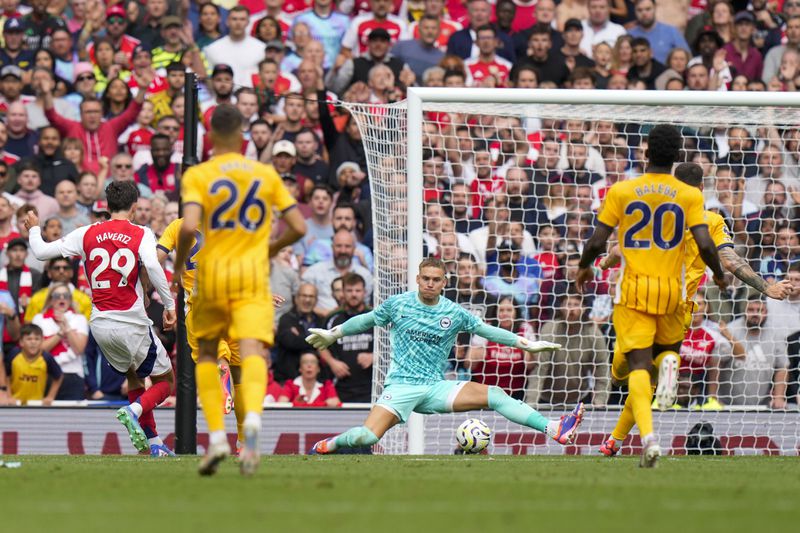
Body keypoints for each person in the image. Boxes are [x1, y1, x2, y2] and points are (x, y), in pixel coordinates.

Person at [592, 160, 794, 460]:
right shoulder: (711, 221)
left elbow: (620, 249)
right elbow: (729, 260)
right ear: (702, 188)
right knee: (639, 378)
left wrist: (605, 263)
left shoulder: (659, 217)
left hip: (643, 301)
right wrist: (767, 287)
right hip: (680, 310)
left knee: (623, 372)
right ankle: (614, 440)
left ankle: (618, 434)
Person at [305, 258, 583, 455]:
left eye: (435, 280)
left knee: (496, 394)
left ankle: (554, 428)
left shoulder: (454, 312)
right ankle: (329, 444)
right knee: (366, 436)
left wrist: (527, 345)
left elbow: (489, 330)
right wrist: (334, 334)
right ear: (417, 279)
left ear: (443, 283)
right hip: (401, 386)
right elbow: (366, 320)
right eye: (425, 278)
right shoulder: (398, 304)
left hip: (435, 387)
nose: (429, 283)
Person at [576, 125, 727, 468]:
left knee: (637, 367)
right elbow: (705, 244)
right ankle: (620, 435)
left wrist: (585, 266)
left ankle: (649, 438)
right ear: (677, 156)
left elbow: (598, 241)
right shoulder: (689, 195)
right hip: (673, 292)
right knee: (656, 364)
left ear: (644, 153)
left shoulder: (624, 190)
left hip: (634, 291)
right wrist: (718, 274)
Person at [173, 104, 306, 476]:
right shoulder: (265, 174)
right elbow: (297, 225)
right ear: (244, 134)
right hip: (251, 276)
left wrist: (180, 263)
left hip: (212, 276)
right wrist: (270, 248)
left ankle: (216, 436)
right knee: (250, 355)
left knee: (208, 357)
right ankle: (251, 432)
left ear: (211, 136)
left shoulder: (200, 174)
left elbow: (187, 229)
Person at [25, 180, 177, 458]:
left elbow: (40, 251)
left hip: (100, 323)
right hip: (130, 321)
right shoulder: (140, 232)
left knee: (135, 377)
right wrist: (169, 305)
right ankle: (133, 410)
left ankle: (153, 443)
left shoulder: (86, 233)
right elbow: (154, 265)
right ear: (133, 207)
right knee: (166, 380)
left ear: (107, 206)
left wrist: (34, 227)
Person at [157, 217, 243, 444]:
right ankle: (244, 442)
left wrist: (164, 296)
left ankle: (219, 369)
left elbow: (157, 258)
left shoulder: (177, 227)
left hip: (199, 303)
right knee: (240, 377)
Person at [320, 273, 374, 403]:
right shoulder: (332, 318)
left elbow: (391, 344)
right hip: (340, 387)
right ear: (343, 293)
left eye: (358, 290)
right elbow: (320, 345)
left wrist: (374, 356)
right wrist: (332, 362)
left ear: (365, 292)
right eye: (349, 290)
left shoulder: (374, 316)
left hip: (372, 386)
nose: (354, 294)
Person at [31, 282, 88, 401]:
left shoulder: (79, 319)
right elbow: (37, 350)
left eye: (66, 295)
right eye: (57, 295)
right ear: (51, 299)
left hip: (72, 375)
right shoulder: (39, 319)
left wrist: (66, 326)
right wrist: (59, 334)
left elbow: (79, 349)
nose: (62, 298)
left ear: (70, 299)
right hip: (45, 374)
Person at [5, 324, 62, 405]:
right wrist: (9, 396)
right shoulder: (14, 355)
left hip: (36, 404)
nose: (33, 342)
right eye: (29, 339)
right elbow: (5, 376)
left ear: (42, 341)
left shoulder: (46, 358)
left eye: (37, 339)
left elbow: (59, 376)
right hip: (15, 403)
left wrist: (50, 396)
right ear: (21, 342)